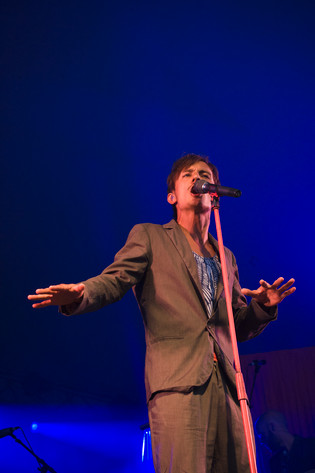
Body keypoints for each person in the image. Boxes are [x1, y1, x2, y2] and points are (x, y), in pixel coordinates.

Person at [28, 154, 296, 473]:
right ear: (172, 196)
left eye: (205, 174)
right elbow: (115, 279)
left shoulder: (227, 255)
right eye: (189, 174)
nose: (198, 177)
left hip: (226, 388)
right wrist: (81, 293)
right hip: (178, 385)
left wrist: (263, 306)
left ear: (214, 192)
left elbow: (235, 327)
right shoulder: (150, 237)